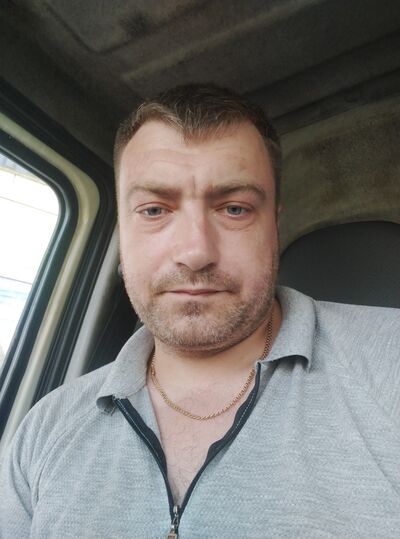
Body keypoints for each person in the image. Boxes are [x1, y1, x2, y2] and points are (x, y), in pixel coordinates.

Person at [1, 84, 400, 539]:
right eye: (154, 210)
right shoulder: (45, 428)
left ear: (274, 225)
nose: (195, 252)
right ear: (122, 233)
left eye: (234, 209)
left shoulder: (390, 364)